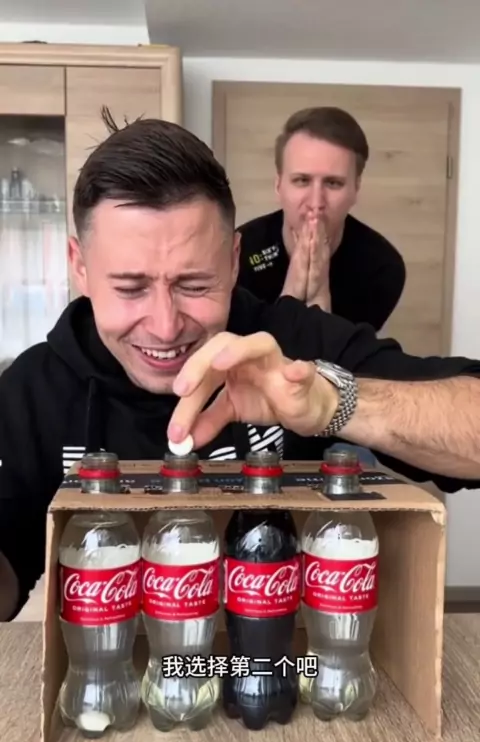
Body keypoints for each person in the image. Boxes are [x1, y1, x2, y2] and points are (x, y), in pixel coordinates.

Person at [1, 116, 480, 624]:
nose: (165, 326)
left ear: (234, 261)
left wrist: (332, 403)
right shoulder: (34, 390)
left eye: (194, 285)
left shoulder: (291, 345)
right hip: (106, 668)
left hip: (284, 660)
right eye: (130, 288)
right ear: (79, 265)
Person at [235, 106, 406, 328]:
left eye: (333, 183)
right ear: (278, 185)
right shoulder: (238, 253)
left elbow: (342, 350)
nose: (316, 203)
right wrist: (290, 293)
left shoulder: (381, 267)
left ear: (355, 188)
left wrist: (319, 295)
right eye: (302, 181)